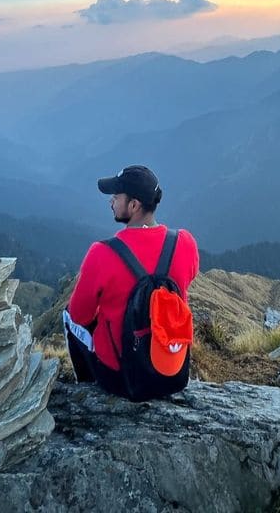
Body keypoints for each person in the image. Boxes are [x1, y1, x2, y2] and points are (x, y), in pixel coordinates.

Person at [65, 164, 199, 398]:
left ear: (134, 205)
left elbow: (80, 315)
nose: (111, 202)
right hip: (173, 373)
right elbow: (189, 276)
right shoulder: (185, 243)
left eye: (116, 197)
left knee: (67, 317)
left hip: (122, 380)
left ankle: (86, 386)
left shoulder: (102, 253)